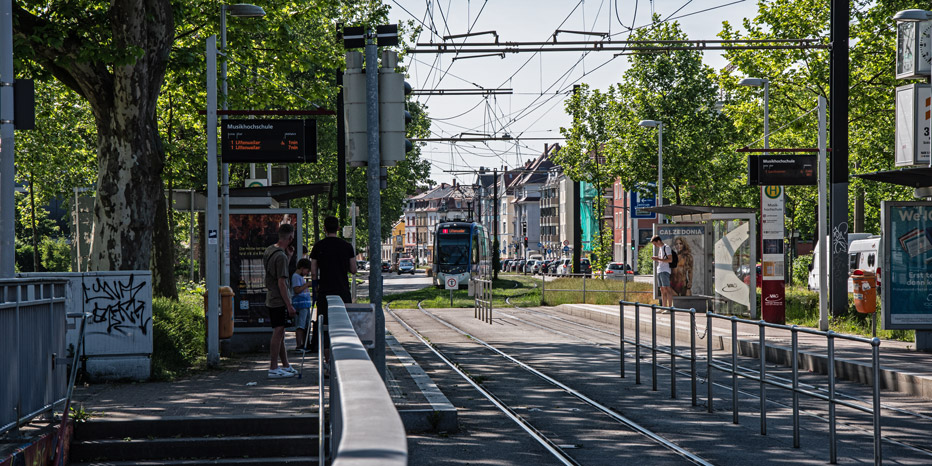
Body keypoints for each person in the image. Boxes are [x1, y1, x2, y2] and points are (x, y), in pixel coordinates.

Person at [309, 216, 357, 370]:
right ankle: (344, 360)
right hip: (342, 291)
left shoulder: (318, 246)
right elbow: (354, 269)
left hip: (325, 292)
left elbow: (314, 272)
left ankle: (328, 362)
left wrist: (315, 288)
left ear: (324, 228)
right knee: (345, 326)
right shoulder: (347, 246)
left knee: (326, 327)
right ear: (338, 228)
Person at [263, 223, 297, 379]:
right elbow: (281, 282)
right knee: (278, 332)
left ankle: (285, 365)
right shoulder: (281, 256)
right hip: (279, 299)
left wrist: (289, 257)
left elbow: (275, 273)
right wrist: (289, 305)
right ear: (290, 237)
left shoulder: (270, 251)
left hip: (271, 297)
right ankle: (273, 367)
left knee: (281, 332)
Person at [292, 258, 313, 352]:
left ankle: (305, 344)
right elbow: (297, 290)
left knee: (306, 325)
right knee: (300, 325)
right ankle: (299, 345)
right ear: (302, 268)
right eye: (307, 270)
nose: (307, 273)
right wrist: (307, 285)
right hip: (300, 304)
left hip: (305, 304)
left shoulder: (299, 277)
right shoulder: (296, 277)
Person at [650, 235, 674, 308]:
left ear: (658, 241)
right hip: (660, 270)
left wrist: (659, 259)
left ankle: (669, 307)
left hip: (665, 270)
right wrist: (656, 258)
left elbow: (670, 259)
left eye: (655, 244)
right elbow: (662, 258)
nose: (655, 245)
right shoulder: (661, 248)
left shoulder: (666, 248)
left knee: (667, 288)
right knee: (662, 289)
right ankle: (663, 307)